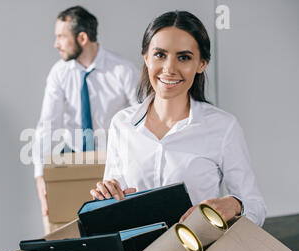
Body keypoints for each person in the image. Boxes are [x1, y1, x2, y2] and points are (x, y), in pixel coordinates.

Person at [90, 11, 267, 227]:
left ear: (202, 64)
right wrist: (106, 197)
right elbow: (115, 201)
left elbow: (256, 207)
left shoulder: (223, 127)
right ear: (146, 57)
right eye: (160, 55)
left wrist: (236, 204)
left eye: (183, 57)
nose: (169, 69)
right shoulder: (122, 123)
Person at [33, 6, 139, 219]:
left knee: (110, 219)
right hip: (73, 153)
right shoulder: (59, 73)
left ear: (82, 38)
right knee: (66, 218)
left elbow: (143, 119)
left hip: (111, 158)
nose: (56, 44)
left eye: (61, 37)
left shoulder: (123, 70)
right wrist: (40, 175)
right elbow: (48, 123)